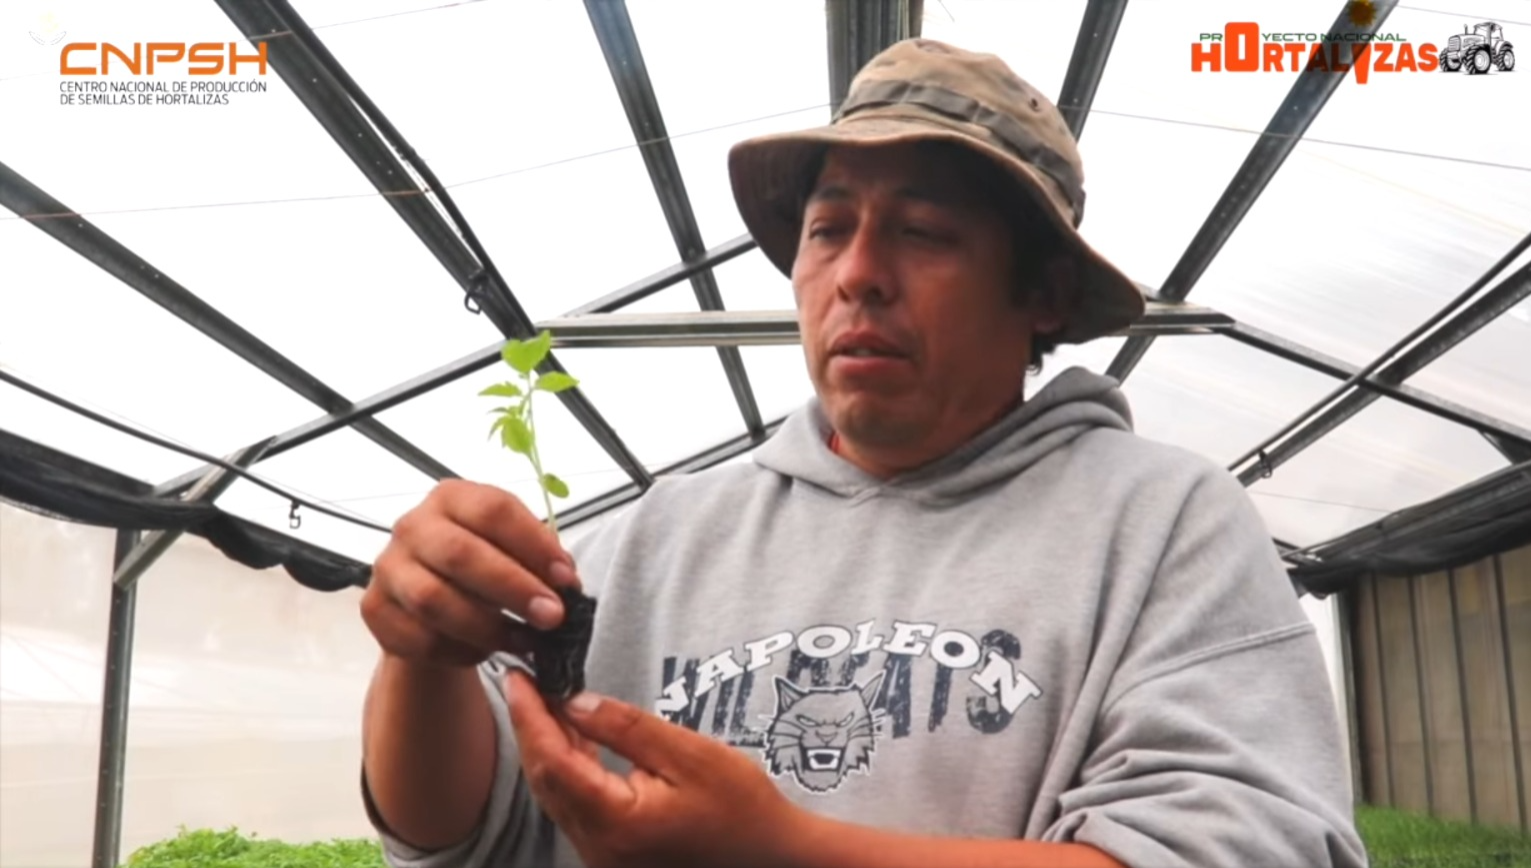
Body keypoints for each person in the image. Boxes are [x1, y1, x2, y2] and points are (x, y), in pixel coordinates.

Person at [357, 38, 1369, 868]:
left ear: (1044, 296)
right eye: (827, 228)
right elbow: (455, 826)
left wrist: (785, 852)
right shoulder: (657, 535)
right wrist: (422, 658)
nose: (859, 274)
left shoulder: (1161, 525)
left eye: (924, 231)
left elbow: (1237, 850)